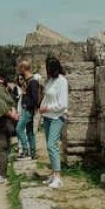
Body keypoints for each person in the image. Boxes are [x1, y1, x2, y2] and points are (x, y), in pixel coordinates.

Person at [39, 57, 69, 189]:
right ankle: (53, 173)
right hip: (47, 116)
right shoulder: (50, 80)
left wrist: (47, 108)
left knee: (52, 145)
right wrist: (42, 108)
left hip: (57, 117)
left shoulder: (62, 81)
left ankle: (58, 177)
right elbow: (47, 96)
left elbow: (63, 104)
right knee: (49, 146)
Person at [15, 60, 40, 160]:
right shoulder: (27, 81)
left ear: (23, 68)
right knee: (29, 132)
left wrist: (27, 106)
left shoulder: (33, 82)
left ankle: (25, 150)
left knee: (19, 128)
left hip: (28, 110)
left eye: (20, 68)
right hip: (27, 109)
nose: (19, 70)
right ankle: (33, 153)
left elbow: (35, 98)